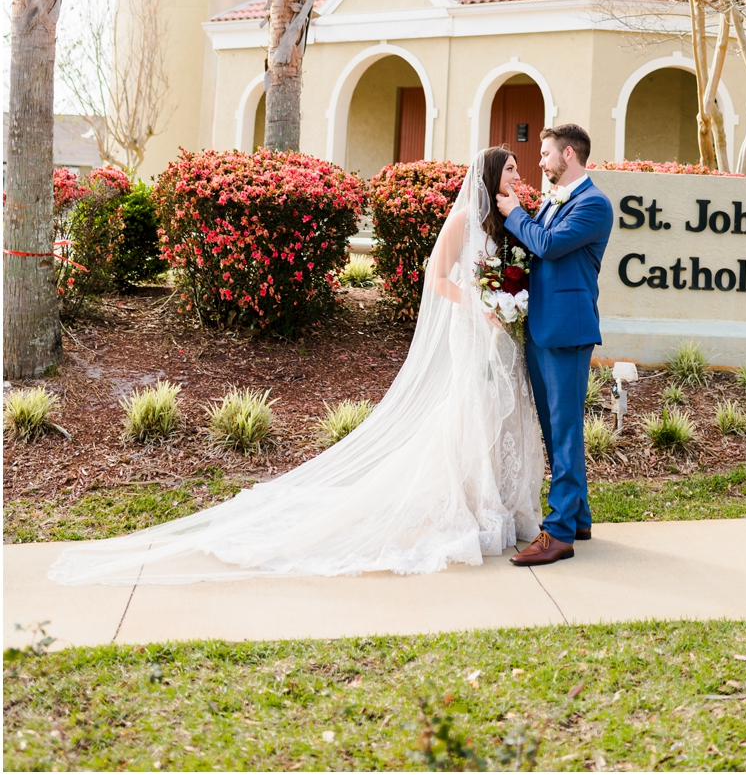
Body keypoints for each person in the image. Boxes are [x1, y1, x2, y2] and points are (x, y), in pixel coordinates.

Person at [48, 149, 543, 585]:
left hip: (503, 339)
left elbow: (512, 272)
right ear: (489, 174)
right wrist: (481, 306)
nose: (518, 175)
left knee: (503, 411)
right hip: (473, 331)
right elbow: (437, 280)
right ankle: (476, 508)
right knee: (471, 411)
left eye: (520, 169)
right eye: (512, 169)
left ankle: (503, 505)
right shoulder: (461, 222)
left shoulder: (507, 219)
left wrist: (508, 301)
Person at [498, 122, 614, 566]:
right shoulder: (551, 201)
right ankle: (579, 515)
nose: (540, 161)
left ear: (569, 155)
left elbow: (546, 245)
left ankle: (560, 532)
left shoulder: (594, 205)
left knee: (565, 431)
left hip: (567, 331)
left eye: (545, 153)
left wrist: (515, 215)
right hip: (541, 328)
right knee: (554, 429)